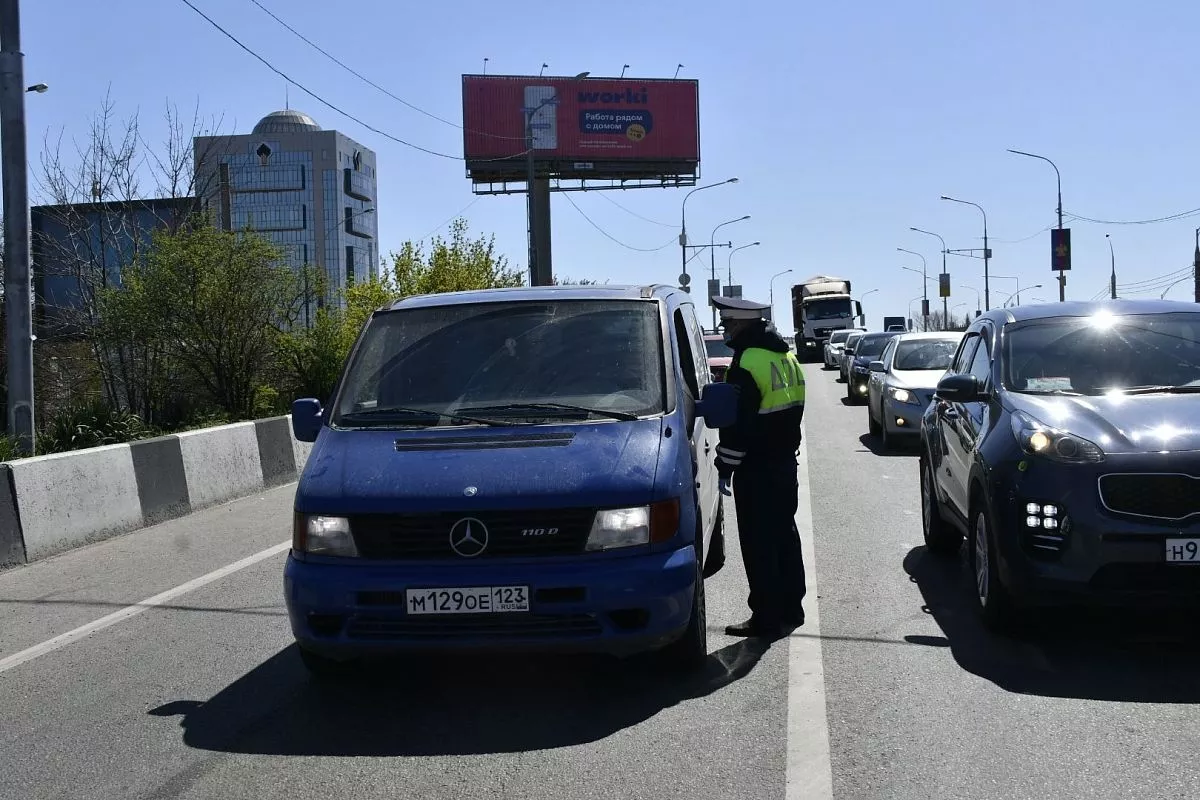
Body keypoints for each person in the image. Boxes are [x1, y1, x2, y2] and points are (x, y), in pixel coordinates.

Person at [711, 295, 808, 638]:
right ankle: (792, 608)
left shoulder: (746, 362)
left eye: (727, 324)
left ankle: (765, 617)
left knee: (759, 543)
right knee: (785, 535)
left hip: (757, 469)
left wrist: (725, 464)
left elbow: (740, 424)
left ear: (741, 324)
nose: (725, 330)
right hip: (784, 463)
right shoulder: (785, 356)